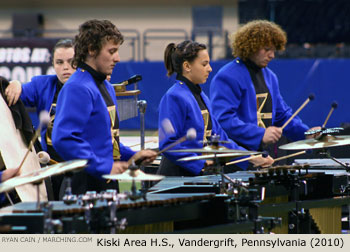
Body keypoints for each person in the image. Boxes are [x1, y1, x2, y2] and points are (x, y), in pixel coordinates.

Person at [52, 19, 156, 195]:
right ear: (92, 49)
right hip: (83, 187)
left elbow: (106, 141)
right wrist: (103, 166)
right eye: (112, 51)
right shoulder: (78, 87)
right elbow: (63, 138)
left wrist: (132, 156)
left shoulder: (105, 86)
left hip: (105, 183)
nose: (117, 58)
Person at [157, 40, 273, 176]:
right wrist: (201, 164)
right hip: (176, 178)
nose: (210, 69)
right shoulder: (174, 96)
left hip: (198, 176)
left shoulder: (201, 96)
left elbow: (220, 138)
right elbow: (168, 144)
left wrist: (250, 157)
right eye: (204, 64)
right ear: (187, 66)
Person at [210, 20, 318, 154]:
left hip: (264, 157)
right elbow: (223, 120)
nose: (272, 55)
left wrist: (306, 133)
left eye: (274, 50)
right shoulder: (227, 76)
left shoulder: (270, 76)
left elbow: (281, 115)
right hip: (238, 158)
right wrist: (260, 134)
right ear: (251, 46)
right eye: (267, 49)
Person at [4, 39, 75, 200]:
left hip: (80, 169)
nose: (65, 67)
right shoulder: (43, 85)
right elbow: (17, 94)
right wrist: (16, 84)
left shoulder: (89, 89)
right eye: (59, 62)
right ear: (53, 64)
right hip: (50, 167)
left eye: (72, 62)